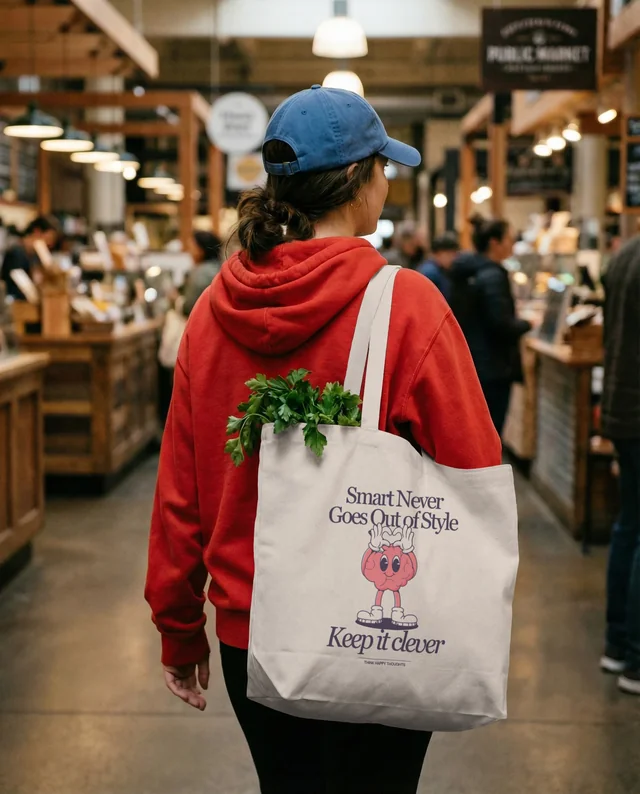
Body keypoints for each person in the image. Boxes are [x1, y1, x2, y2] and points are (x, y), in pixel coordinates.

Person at [145, 85, 501, 794]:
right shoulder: (406, 305)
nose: (388, 181)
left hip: (254, 635)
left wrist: (180, 625)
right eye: (383, 167)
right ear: (359, 181)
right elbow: (475, 473)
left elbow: (181, 493)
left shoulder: (212, 311)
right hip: (380, 624)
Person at [600, 235, 640, 695]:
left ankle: (616, 644)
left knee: (628, 527)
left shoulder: (624, 254)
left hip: (622, 411)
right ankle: (636, 660)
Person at [449, 216, 531, 436]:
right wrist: (527, 324)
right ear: (495, 243)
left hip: (472, 361)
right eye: (509, 239)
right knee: (491, 432)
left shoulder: (466, 271)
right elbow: (500, 323)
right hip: (493, 366)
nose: (512, 244)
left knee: (475, 432)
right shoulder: (493, 275)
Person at [1, 215, 60, 299]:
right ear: (37, 232)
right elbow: (16, 287)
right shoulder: (16, 253)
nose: (50, 244)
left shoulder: (35, 256)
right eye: (48, 239)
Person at [183, 230, 222, 316]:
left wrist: (176, 302)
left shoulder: (199, 273)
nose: (189, 252)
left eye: (191, 248)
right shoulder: (222, 267)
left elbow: (189, 307)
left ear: (201, 251)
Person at [417, 233, 459, 302]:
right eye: (449, 254)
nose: (453, 258)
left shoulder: (441, 270)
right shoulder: (430, 273)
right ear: (438, 254)